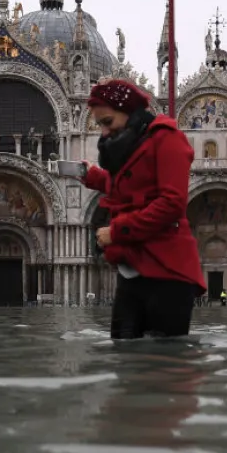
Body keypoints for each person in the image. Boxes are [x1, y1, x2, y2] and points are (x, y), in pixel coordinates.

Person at [80, 79, 206, 339]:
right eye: (99, 125)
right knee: (123, 351)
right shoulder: (132, 143)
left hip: (167, 269)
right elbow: (133, 187)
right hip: (133, 265)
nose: (104, 133)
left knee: (165, 360)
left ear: (128, 112)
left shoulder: (167, 139)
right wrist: (93, 177)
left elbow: (171, 203)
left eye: (108, 122)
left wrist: (116, 232)